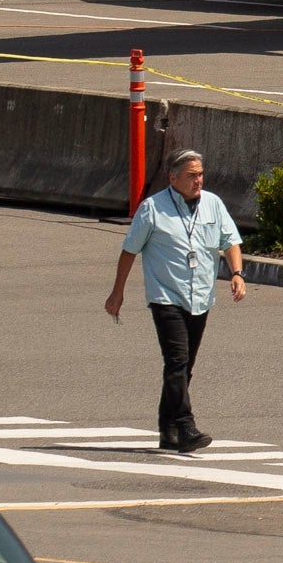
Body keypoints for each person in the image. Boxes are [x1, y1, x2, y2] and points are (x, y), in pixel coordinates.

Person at [105, 148, 244, 453]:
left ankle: (167, 430)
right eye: (192, 175)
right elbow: (130, 251)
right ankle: (185, 425)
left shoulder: (213, 204)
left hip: (201, 297)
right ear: (173, 178)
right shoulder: (152, 209)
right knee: (177, 361)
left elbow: (230, 240)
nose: (199, 180)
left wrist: (237, 273)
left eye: (201, 174)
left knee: (184, 367)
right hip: (166, 296)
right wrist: (118, 291)